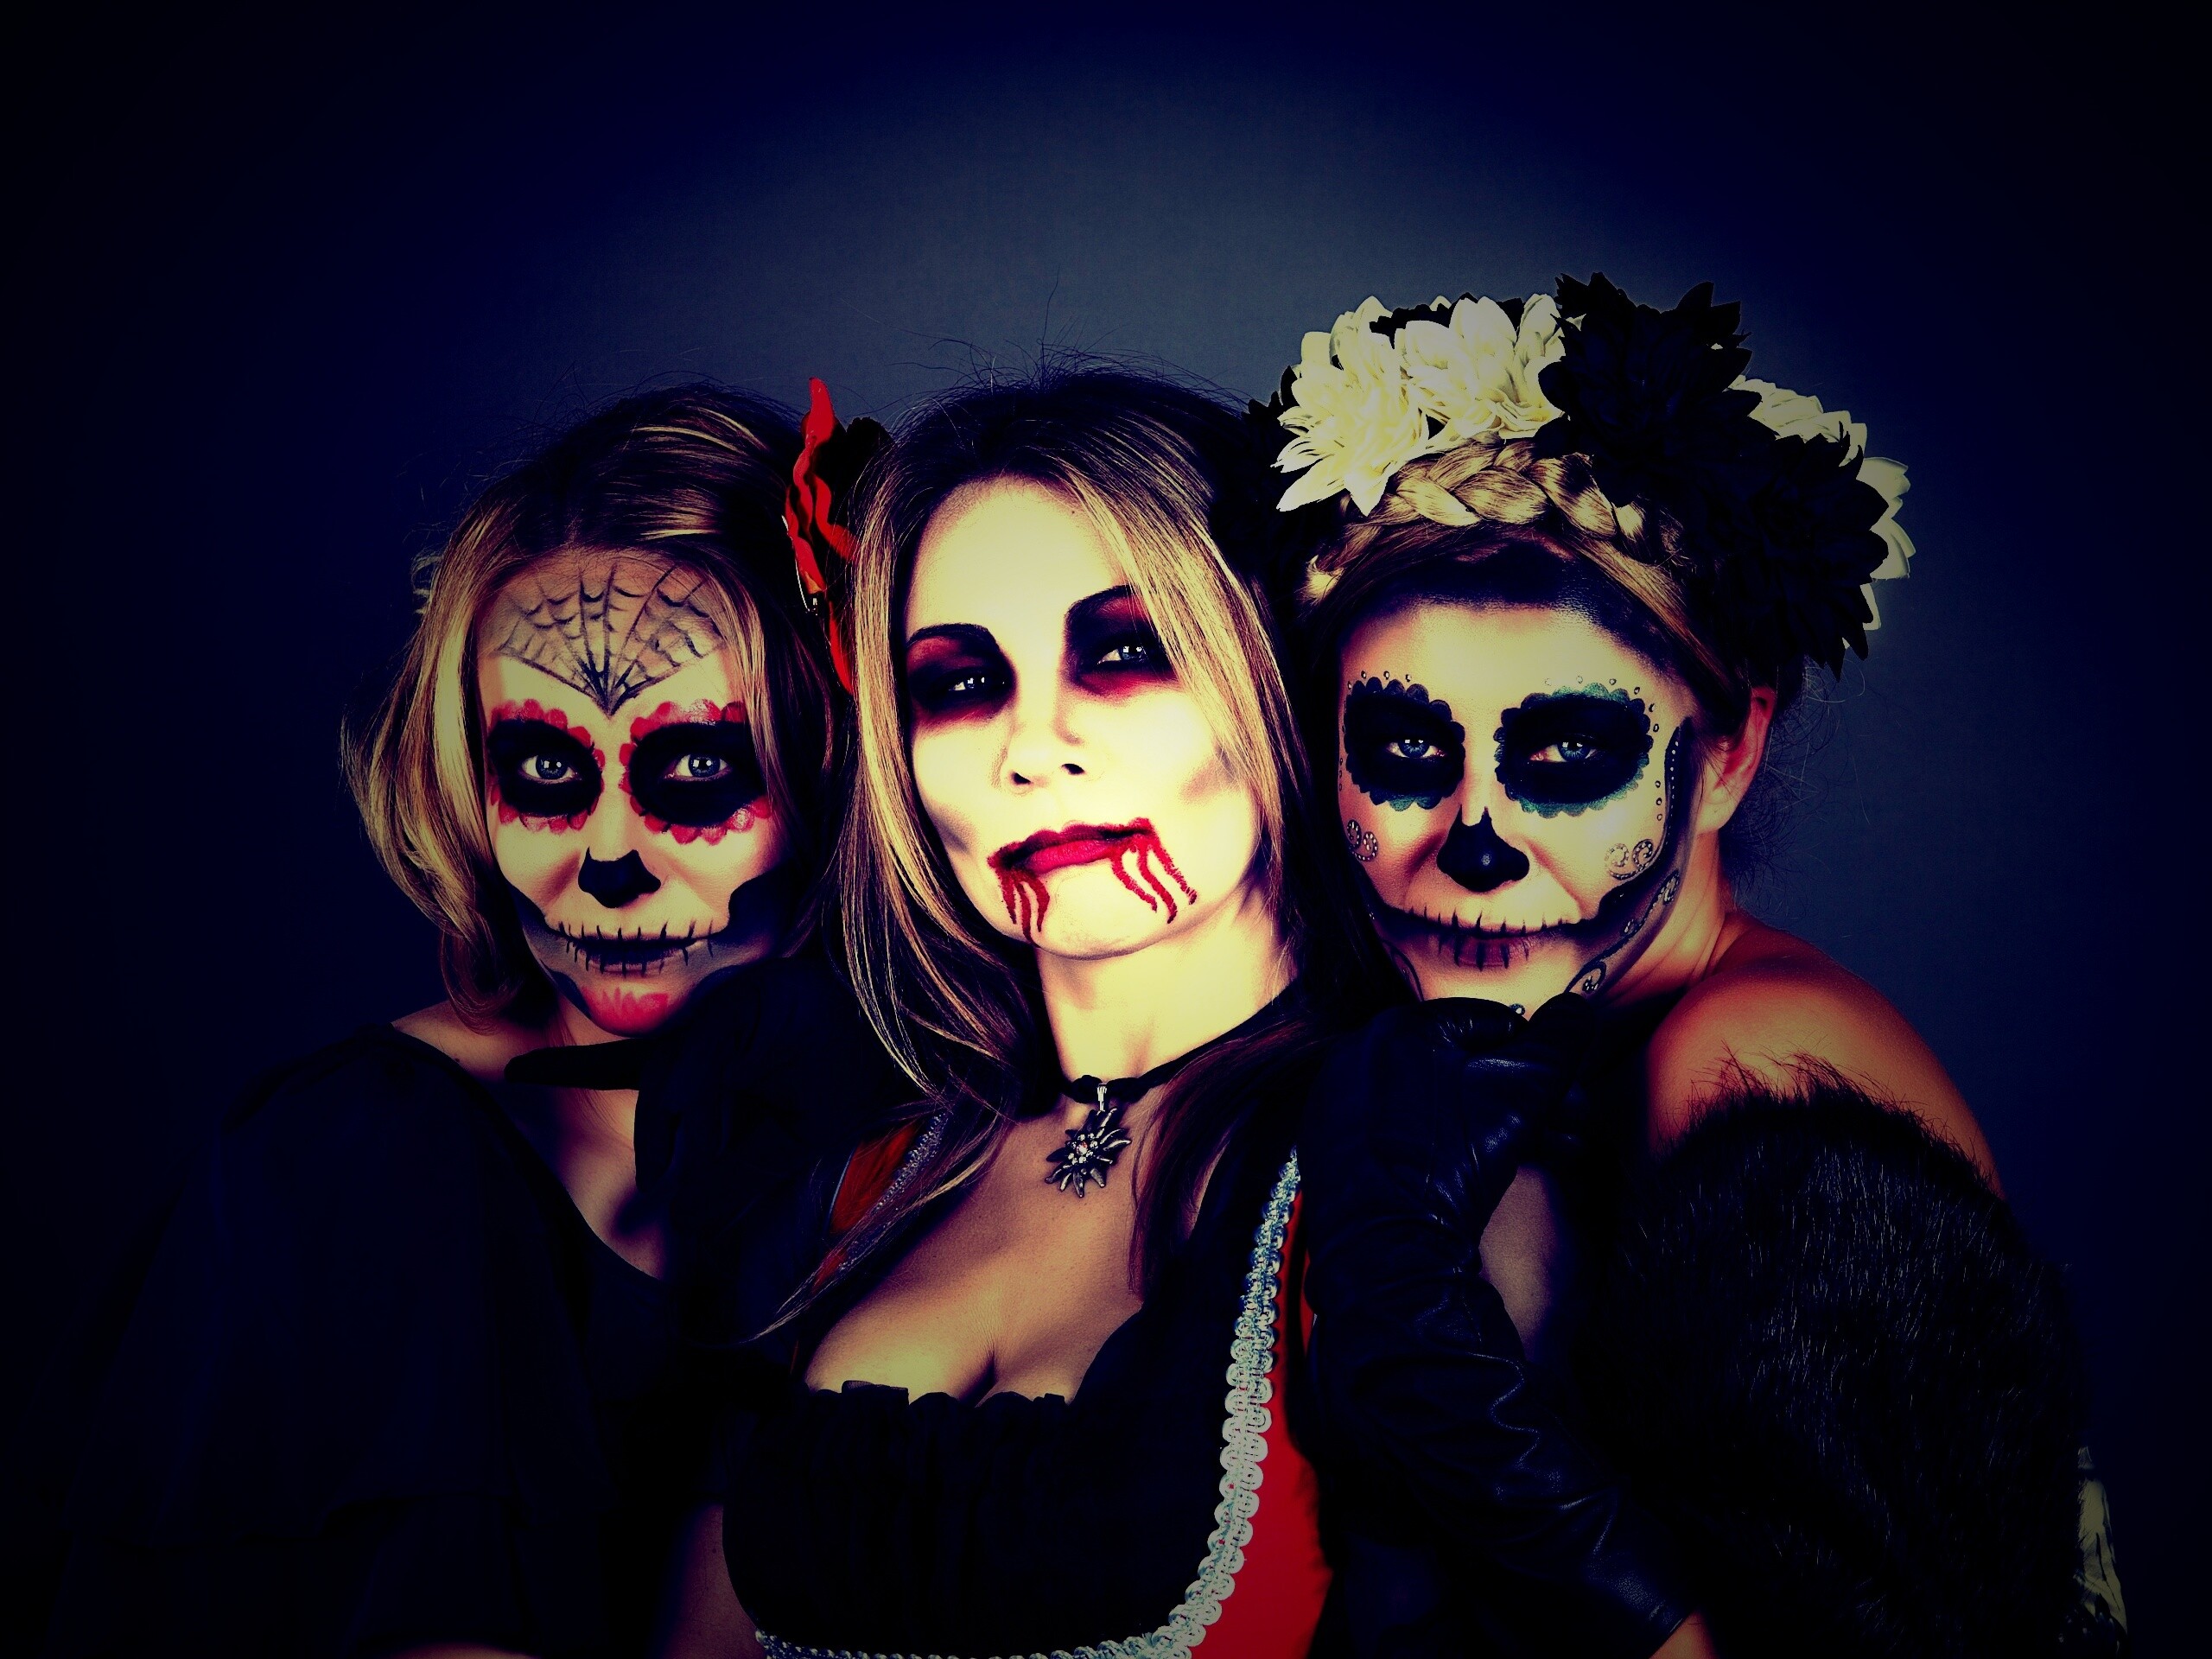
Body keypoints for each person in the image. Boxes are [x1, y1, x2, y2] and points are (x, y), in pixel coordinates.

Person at [658, 366, 1708, 1659]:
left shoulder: (1415, 1193)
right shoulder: (850, 1167)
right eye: (960, 684)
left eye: (1122, 655)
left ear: (1273, 681)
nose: (1031, 750)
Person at [1272, 277, 2110, 1655]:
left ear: (1725, 755)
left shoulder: (1750, 1069)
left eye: (1565, 756)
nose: (1473, 845)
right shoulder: (1503, 1057)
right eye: (1409, 753)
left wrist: (1419, 1330)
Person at [10, 385, 865, 1658]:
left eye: (697, 768)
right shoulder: (365, 1160)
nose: (609, 863)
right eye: (546, 772)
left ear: (849, 766)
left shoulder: (917, 1136)